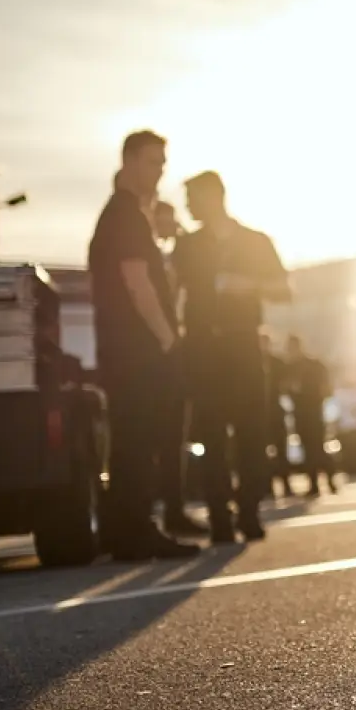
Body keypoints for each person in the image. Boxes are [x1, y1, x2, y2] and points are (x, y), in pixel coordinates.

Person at [86, 132, 198, 561]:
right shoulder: (125, 215)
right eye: (154, 162)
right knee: (139, 440)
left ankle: (123, 531)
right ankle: (135, 532)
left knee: (130, 439)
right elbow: (137, 282)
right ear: (130, 161)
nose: (160, 171)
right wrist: (169, 340)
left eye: (163, 163)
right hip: (138, 353)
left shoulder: (123, 214)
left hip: (124, 352)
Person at [175, 171, 290, 543]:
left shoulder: (255, 242)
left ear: (214, 196)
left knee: (252, 431)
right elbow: (172, 291)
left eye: (193, 197)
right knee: (210, 434)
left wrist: (248, 285)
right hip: (202, 348)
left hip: (243, 345)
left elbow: (284, 290)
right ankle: (220, 516)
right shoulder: (187, 246)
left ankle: (249, 509)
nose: (188, 205)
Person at [147, 197, 208, 539]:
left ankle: (174, 506)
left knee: (175, 435)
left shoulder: (176, 255)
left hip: (176, 351)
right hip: (160, 353)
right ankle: (165, 508)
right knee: (160, 436)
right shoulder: (153, 256)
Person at [283, 335, 334, 497]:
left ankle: (328, 480)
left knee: (318, 447)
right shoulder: (291, 368)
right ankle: (316, 482)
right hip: (301, 412)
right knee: (309, 448)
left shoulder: (312, 366)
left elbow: (326, 387)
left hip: (313, 410)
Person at [261, 331, 292, 499]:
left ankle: (286, 483)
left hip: (275, 408)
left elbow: (288, 383)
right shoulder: (251, 362)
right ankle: (266, 485)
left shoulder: (278, 363)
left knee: (281, 448)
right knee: (262, 450)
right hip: (259, 411)